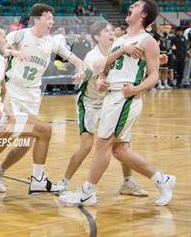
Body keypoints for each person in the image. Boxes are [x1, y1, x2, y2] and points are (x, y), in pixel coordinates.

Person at [59, 0, 176, 206]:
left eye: (136, 5)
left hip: (125, 98)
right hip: (111, 96)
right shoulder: (120, 39)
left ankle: (88, 192)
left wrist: (135, 89)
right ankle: (163, 180)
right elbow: (107, 67)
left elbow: (154, 75)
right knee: (119, 150)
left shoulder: (147, 40)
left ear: (144, 14)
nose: (131, 6)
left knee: (103, 145)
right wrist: (103, 80)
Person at [0, 5, 84, 194]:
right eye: (49, 18)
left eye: (52, 18)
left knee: (27, 142)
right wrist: (13, 52)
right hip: (12, 91)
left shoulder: (51, 42)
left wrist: (80, 69)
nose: (52, 21)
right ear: (37, 19)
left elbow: (75, 59)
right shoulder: (20, 36)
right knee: (7, 133)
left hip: (32, 95)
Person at [58, 21, 147, 196]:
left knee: (123, 142)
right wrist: (100, 81)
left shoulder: (119, 47)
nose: (111, 32)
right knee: (86, 146)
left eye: (112, 30)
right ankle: (64, 181)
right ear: (97, 37)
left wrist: (156, 59)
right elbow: (99, 73)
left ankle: (128, 182)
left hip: (110, 101)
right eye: (106, 31)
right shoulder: (92, 55)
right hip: (90, 102)